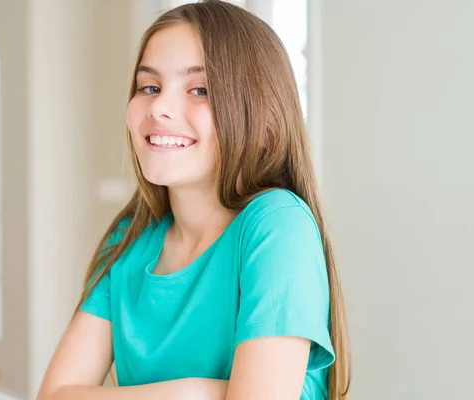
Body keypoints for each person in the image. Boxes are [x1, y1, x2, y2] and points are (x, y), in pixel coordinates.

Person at [36, 1, 350, 399]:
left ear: (264, 118)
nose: (159, 108)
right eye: (149, 87)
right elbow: (53, 396)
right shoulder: (129, 238)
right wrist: (201, 392)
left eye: (199, 89)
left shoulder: (277, 225)